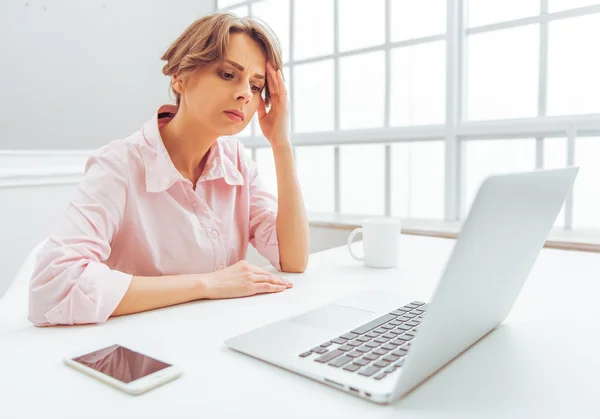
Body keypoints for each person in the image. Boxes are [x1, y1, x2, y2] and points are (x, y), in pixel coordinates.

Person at [28, 12, 309, 326]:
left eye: (256, 87)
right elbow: (52, 288)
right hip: (133, 353)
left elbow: (292, 259)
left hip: (218, 339)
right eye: (228, 74)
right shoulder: (119, 165)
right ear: (180, 76)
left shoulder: (237, 162)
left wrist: (280, 144)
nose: (246, 93)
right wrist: (206, 284)